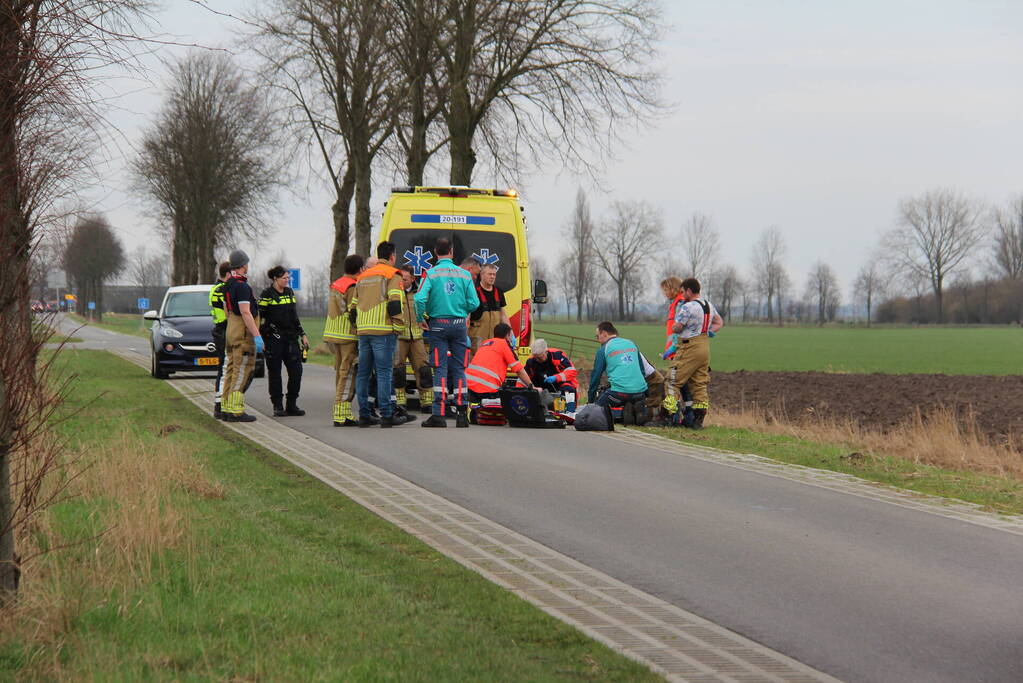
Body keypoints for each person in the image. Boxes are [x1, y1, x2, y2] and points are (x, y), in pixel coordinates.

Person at [415, 237, 479, 428]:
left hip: (437, 326)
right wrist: (462, 309)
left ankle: (439, 415)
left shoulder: (431, 273)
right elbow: (474, 303)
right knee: (460, 369)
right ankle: (461, 415)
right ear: (451, 252)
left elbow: (419, 299)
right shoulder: (465, 275)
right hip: (459, 326)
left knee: (440, 369)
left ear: (436, 252)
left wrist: (421, 318)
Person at [352, 241, 416, 428]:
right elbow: (395, 303)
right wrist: (398, 326)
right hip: (384, 331)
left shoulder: (363, 276)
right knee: (384, 373)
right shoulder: (392, 274)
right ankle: (387, 415)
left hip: (364, 331)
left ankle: (364, 415)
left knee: (363, 374)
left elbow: (353, 307)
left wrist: (359, 326)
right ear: (392, 257)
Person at [667, 277, 724, 429]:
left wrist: (674, 328)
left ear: (689, 291)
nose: (682, 294)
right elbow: (719, 322)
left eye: (683, 291)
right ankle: (698, 420)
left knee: (673, 380)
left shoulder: (688, 307)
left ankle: (669, 415)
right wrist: (709, 331)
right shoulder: (708, 305)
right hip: (704, 347)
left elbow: (677, 327)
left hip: (689, 346)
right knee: (699, 384)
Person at [258, 266, 309, 417]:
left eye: (288, 278)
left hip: (291, 338)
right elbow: (260, 318)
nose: (287, 281)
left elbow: (294, 316)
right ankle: (278, 405)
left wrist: (303, 334)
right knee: (275, 373)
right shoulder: (266, 294)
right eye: (284, 278)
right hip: (273, 339)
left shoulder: (289, 292)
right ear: (275, 278)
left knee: (296, 371)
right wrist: (261, 338)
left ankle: (291, 404)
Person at [220, 249, 264, 422]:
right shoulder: (242, 286)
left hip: (231, 332)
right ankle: (235, 410)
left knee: (231, 370)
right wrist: (256, 335)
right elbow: (246, 313)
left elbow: (226, 310)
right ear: (243, 265)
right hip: (243, 335)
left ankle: (225, 406)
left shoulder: (228, 285)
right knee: (242, 371)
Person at [324, 254, 364, 426]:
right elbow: (352, 311)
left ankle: (344, 412)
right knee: (347, 374)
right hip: (348, 335)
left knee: (341, 372)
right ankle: (340, 413)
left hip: (334, 334)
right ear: (360, 269)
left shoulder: (337, 283)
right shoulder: (352, 286)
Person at [588, 321, 648, 424]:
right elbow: (642, 370)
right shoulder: (631, 343)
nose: (598, 339)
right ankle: (634, 407)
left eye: (597, 336)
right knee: (631, 396)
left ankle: (624, 409)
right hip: (640, 393)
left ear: (604, 333)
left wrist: (590, 400)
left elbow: (596, 375)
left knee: (597, 410)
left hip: (618, 395)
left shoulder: (604, 349)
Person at [393, 265, 432, 416]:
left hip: (417, 337)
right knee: (398, 370)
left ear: (413, 279)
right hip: (399, 337)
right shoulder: (395, 293)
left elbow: (427, 310)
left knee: (423, 369)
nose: (402, 282)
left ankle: (427, 402)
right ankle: (400, 402)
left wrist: (424, 318)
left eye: (405, 279)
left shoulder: (419, 293)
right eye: (400, 279)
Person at [466, 323, 535, 401]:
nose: (512, 338)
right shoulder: (504, 345)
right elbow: (519, 371)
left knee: (476, 410)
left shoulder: (486, 343)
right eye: (512, 335)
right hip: (487, 389)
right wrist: (532, 387)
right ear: (507, 335)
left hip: (469, 385)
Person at [469, 263, 512, 353]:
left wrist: (510, 332)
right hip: (477, 338)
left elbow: (503, 315)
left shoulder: (498, 292)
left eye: (494, 274)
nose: (492, 277)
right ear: (482, 275)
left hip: (494, 339)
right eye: (489, 274)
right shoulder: (474, 292)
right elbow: (467, 315)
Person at [524, 338, 578, 409]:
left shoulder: (558, 356)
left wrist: (556, 378)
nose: (537, 360)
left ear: (546, 352)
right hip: (541, 388)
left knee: (568, 390)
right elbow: (523, 378)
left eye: (540, 358)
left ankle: (569, 412)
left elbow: (572, 372)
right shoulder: (531, 362)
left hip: (560, 386)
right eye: (535, 358)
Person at [209, 260, 231, 419]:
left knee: (222, 368)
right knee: (224, 369)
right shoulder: (224, 289)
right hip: (225, 329)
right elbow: (228, 310)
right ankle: (220, 407)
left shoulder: (214, 288)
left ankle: (219, 404)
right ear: (228, 274)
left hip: (218, 329)